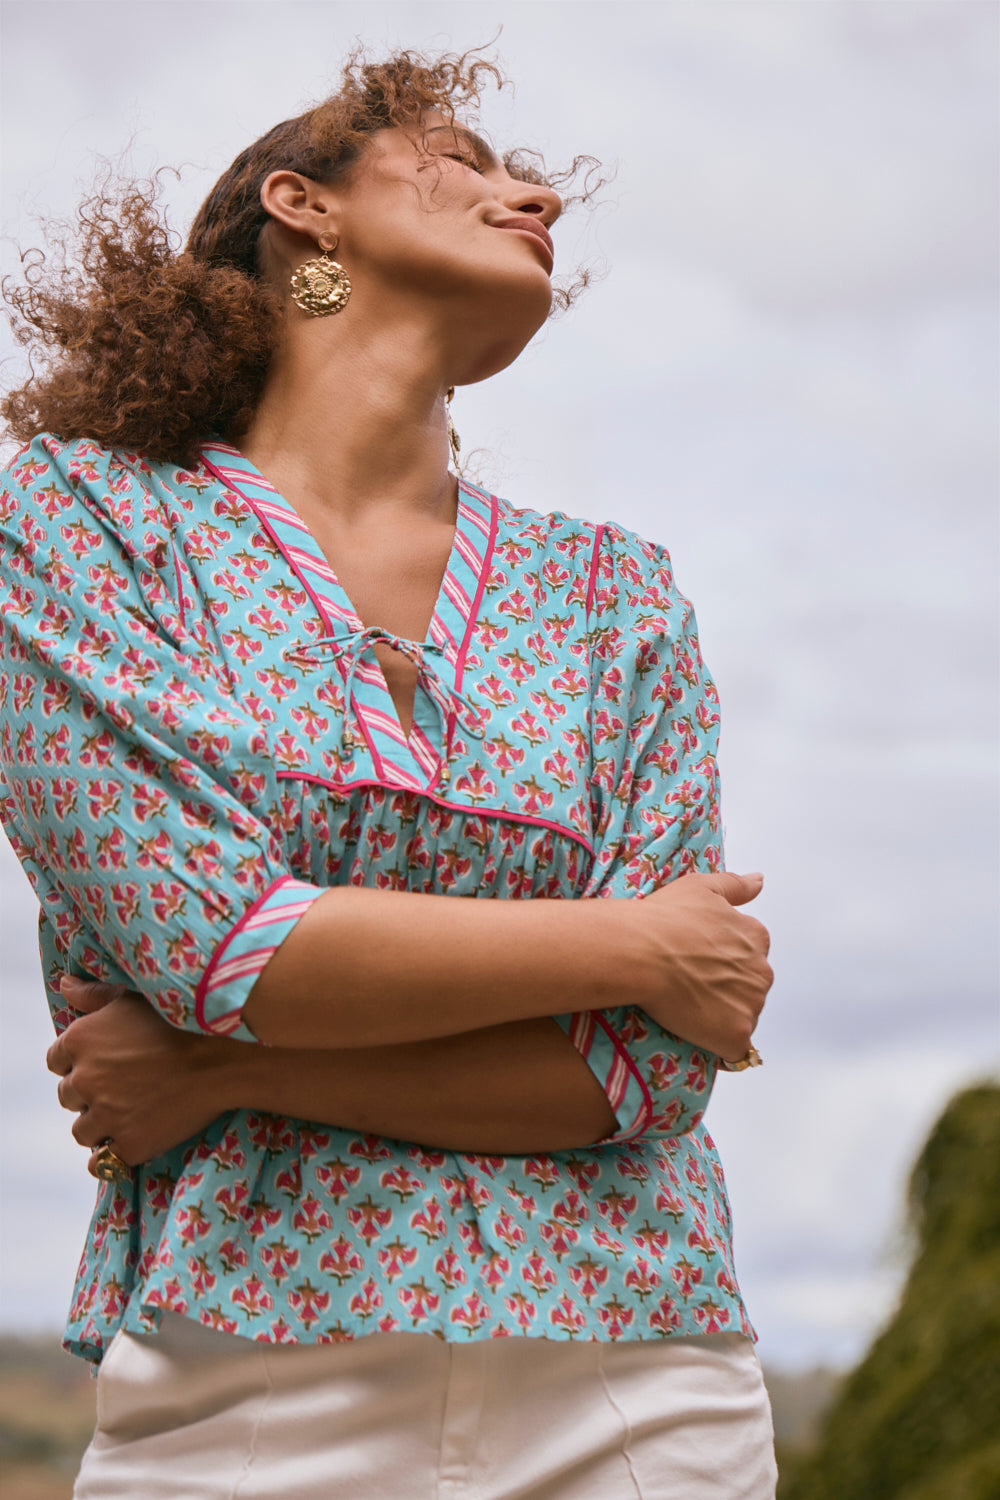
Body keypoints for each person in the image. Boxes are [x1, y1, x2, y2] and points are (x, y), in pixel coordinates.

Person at [0, 47, 776, 1500]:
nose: (530, 191)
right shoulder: (75, 524)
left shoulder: (616, 595)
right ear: (306, 208)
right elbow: (217, 942)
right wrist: (637, 941)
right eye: (464, 158)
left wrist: (229, 1076)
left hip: (639, 1387)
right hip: (246, 1379)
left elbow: (645, 1067)